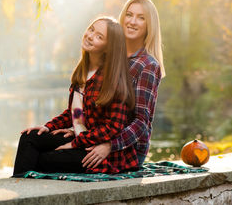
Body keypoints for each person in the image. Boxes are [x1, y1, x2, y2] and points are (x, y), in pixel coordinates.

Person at [12, 17, 138, 175]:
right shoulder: (83, 73)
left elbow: (113, 128)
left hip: (102, 152)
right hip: (83, 139)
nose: (90, 36)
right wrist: (48, 127)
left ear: (108, 48)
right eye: (91, 29)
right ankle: (20, 188)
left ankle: (23, 192)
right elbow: (75, 113)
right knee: (29, 138)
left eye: (99, 36)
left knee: (44, 159)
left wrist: (75, 143)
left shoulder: (114, 80)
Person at [77, 0, 165, 169]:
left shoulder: (147, 65)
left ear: (149, 26)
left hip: (128, 150)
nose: (132, 21)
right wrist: (74, 126)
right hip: (97, 136)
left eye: (141, 18)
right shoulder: (108, 56)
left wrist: (109, 146)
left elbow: (141, 122)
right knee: (39, 142)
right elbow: (89, 103)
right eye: (129, 14)